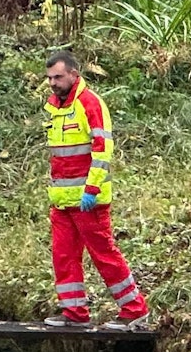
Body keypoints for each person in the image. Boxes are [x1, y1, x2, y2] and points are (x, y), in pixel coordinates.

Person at [41, 50, 150, 330]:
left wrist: (92, 188)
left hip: (89, 200)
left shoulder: (90, 103)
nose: (53, 82)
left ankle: (134, 308)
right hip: (62, 201)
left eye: (58, 77)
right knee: (63, 256)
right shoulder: (56, 107)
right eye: (50, 78)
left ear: (74, 74)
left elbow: (103, 150)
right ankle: (74, 311)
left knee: (104, 254)